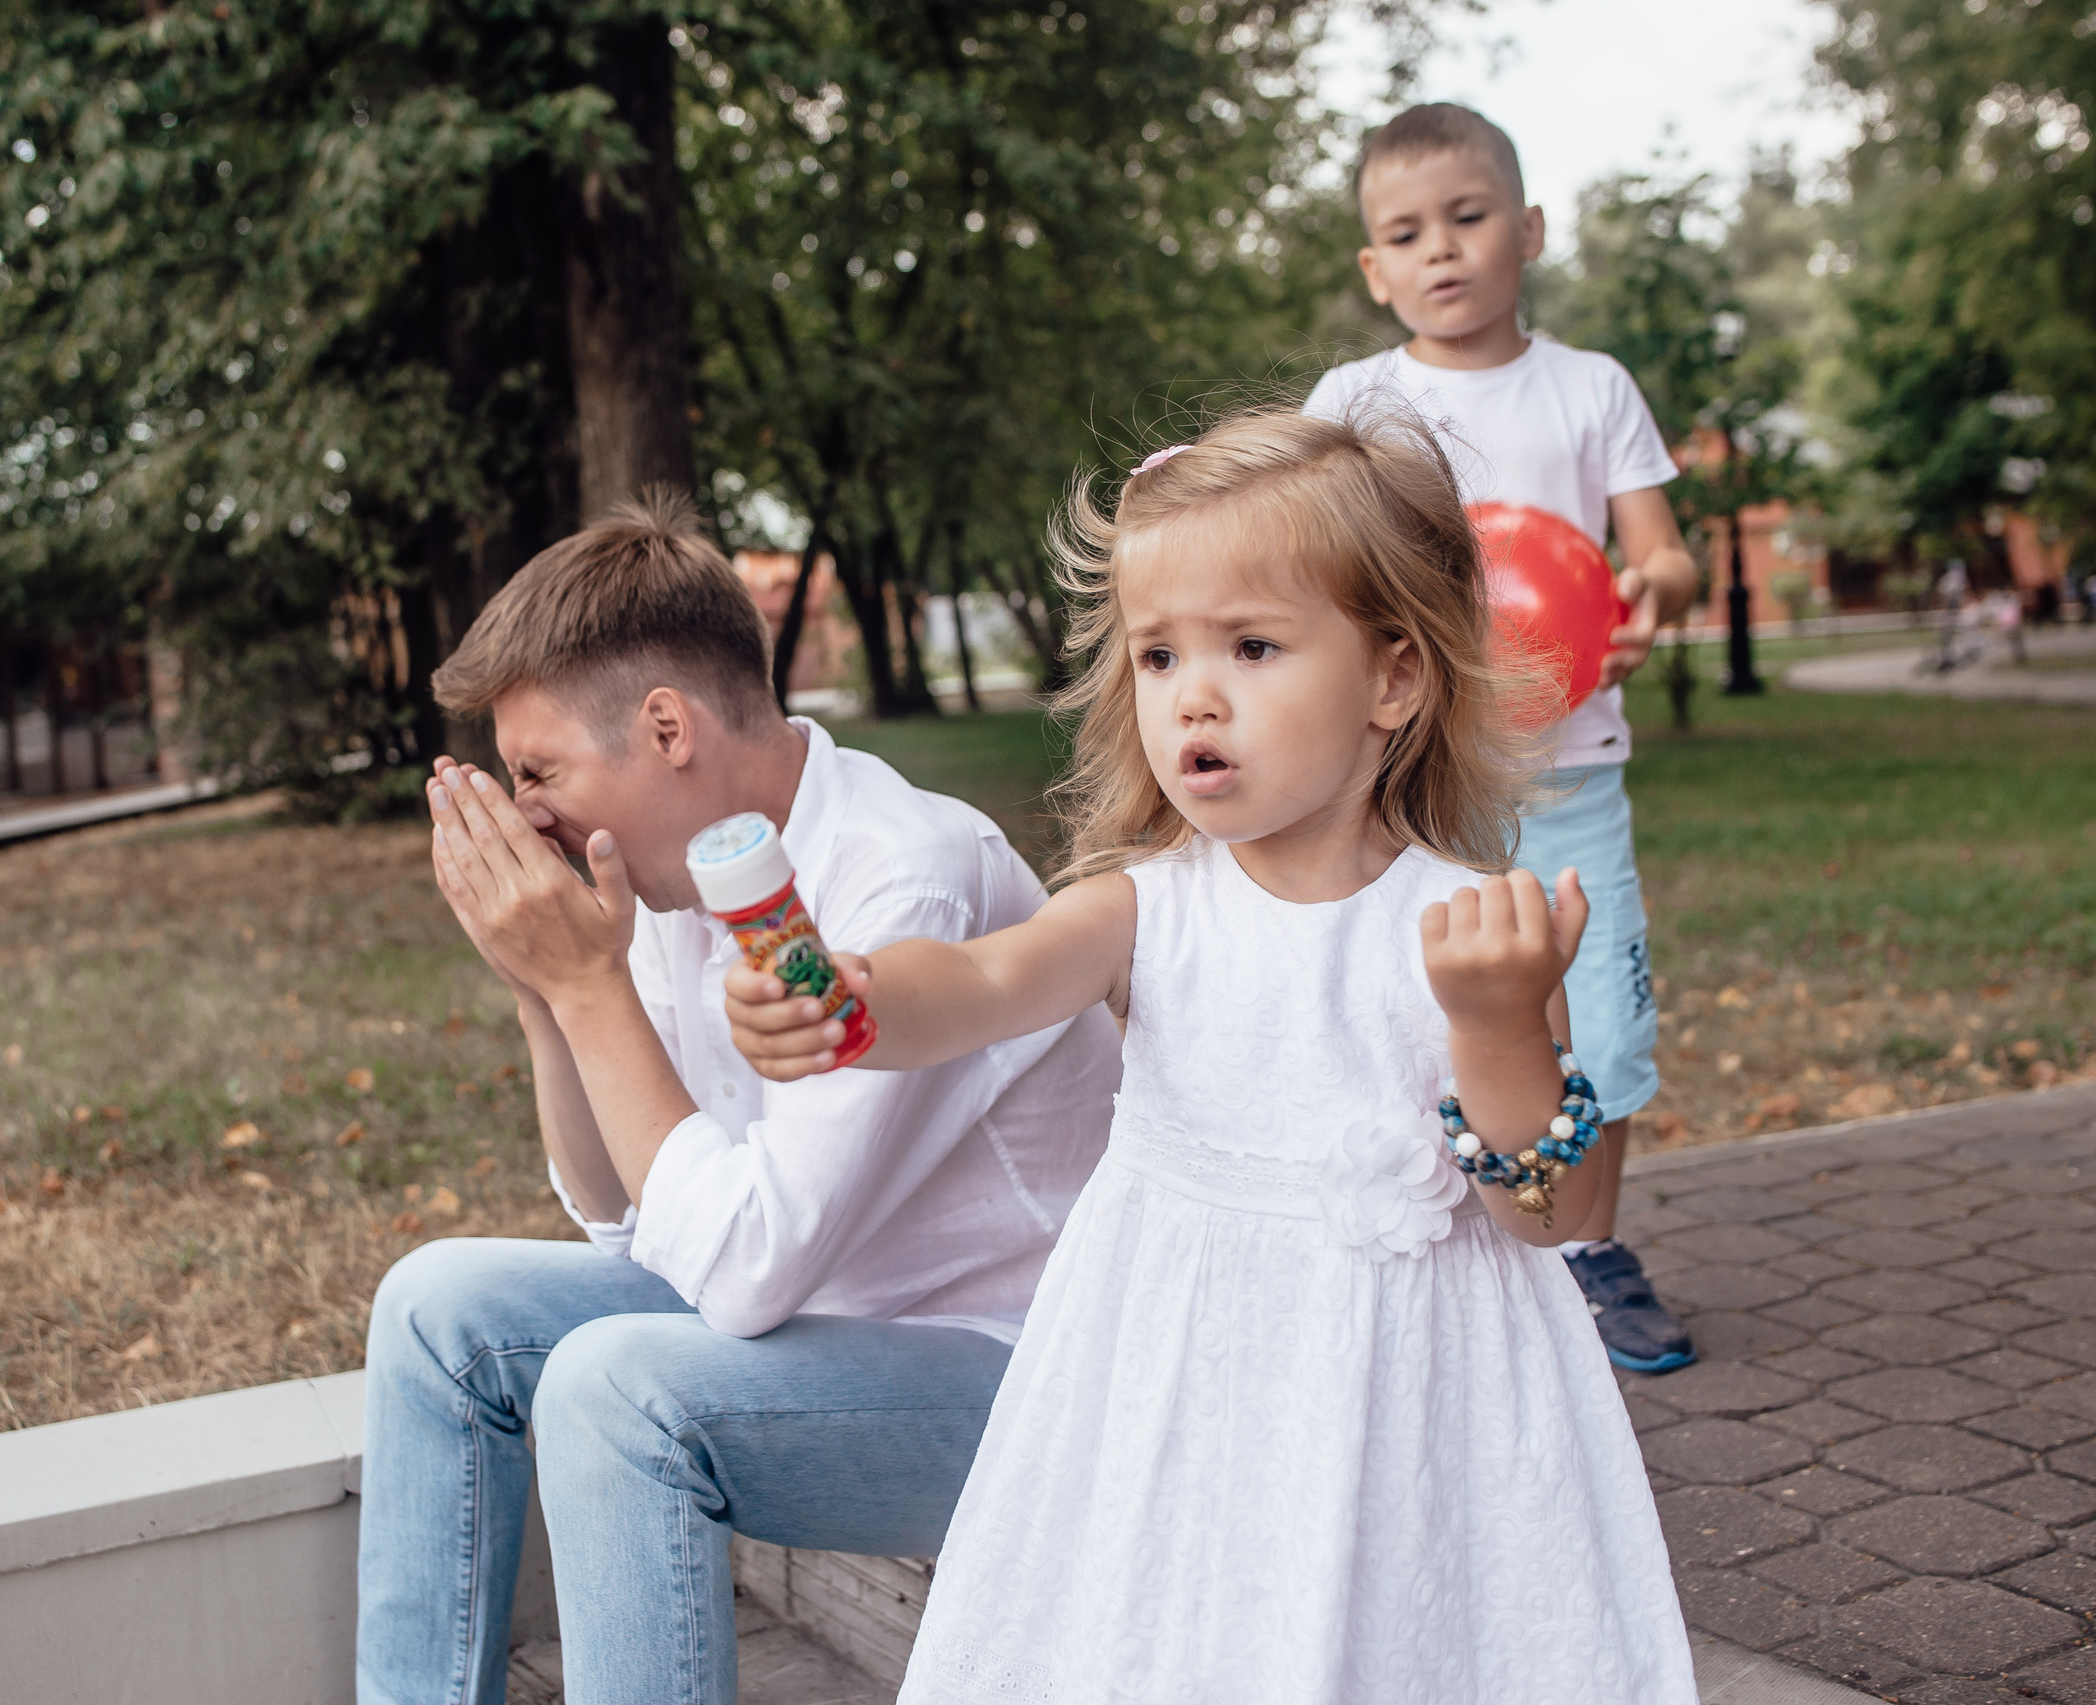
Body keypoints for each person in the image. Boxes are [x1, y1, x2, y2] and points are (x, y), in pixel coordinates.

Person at [725, 408, 1694, 1702]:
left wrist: (1499, 1022)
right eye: (1158, 652)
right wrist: (850, 1001)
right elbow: (976, 981)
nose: (1194, 690)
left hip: (1413, 1416)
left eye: (1251, 644)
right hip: (1181, 1392)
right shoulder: (1144, 909)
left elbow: (1554, 1211)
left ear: (1393, 678)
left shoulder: (1468, 924)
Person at [357, 493, 1121, 1705]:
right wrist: (546, 995)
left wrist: (589, 985)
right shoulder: (682, 868)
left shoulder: (896, 876)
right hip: (831, 1317)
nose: (532, 816)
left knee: (614, 1392)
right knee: (435, 1306)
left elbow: (745, 1269)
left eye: (539, 770)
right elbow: (622, 1217)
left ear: (665, 726)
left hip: (1021, 1373)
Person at [1302, 104, 1703, 1373]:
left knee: (1597, 1022)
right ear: (1373, 268)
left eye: (1467, 219)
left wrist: (1660, 594)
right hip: (1416, 784)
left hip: (1572, 775)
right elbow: (1303, 540)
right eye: (1404, 234)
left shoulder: (1591, 389)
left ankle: (1588, 1250)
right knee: (1416, 1016)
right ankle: (1414, 1239)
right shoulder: (1357, 399)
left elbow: (1662, 553)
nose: (1440, 251)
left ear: (1525, 229)